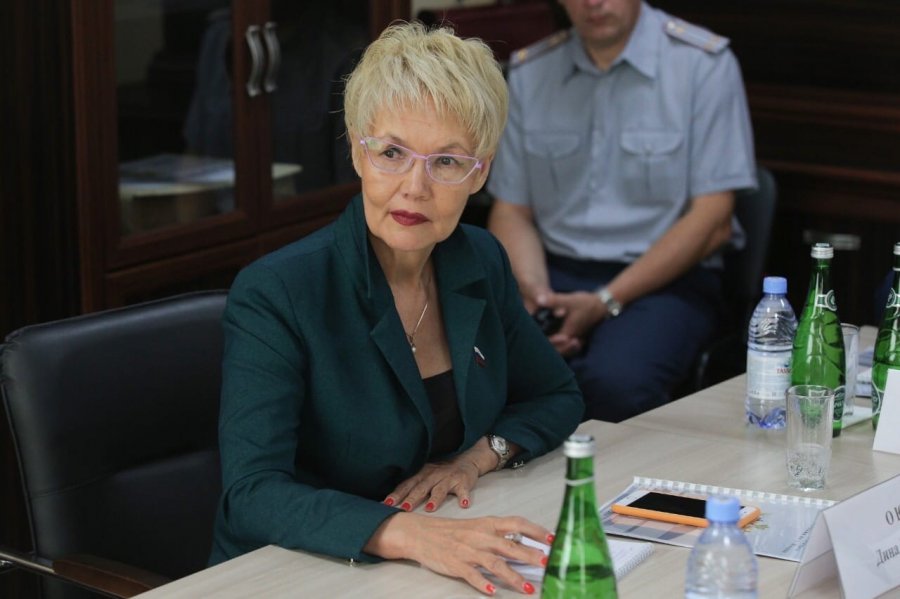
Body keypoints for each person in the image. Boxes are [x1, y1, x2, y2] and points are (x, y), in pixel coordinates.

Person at [208, 22, 584, 596]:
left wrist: (476, 459)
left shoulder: (479, 258)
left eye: (447, 162)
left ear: (480, 172)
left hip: (426, 563)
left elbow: (556, 396)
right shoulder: (278, 291)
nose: (415, 187)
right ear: (357, 153)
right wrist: (411, 535)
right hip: (294, 572)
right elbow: (252, 494)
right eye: (391, 153)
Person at [487, 0, 757, 422]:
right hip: (551, 272)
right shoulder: (531, 71)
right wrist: (537, 300)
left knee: (615, 385)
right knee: (486, 371)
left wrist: (604, 301)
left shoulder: (702, 64)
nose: (592, 3)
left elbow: (713, 220)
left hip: (664, 280)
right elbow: (511, 210)